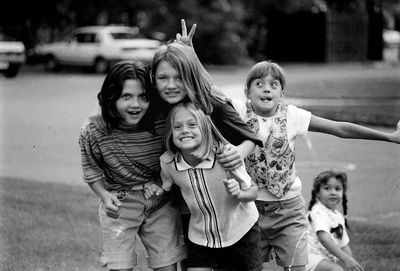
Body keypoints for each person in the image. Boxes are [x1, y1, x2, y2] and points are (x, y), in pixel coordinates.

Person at [231, 60, 400, 271]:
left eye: (274, 85)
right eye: (259, 83)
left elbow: (341, 129)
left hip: (288, 210)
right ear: (247, 91)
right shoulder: (237, 110)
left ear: (281, 94)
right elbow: (206, 93)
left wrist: (389, 137)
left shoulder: (293, 116)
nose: (266, 88)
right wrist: (189, 55)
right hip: (250, 210)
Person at [78, 60, 186, 271]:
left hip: (160, 201)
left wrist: (160, 183)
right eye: (126, 96)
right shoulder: (93, 130)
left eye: (143, 97)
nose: (135, 104)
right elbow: (90, 170)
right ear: (111, 97)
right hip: (120, 204)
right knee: (120, 265)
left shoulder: (162, 121)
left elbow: (175, 155)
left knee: (167, 264)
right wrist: (104, 195)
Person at [159, 102, 262, 271]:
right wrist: (156, 188)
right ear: (170, 133)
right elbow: (166, 184)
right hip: (200, 236)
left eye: (192, 125)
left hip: (240, 233)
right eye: (177, 127)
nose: (184, 130)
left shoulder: (225, 156)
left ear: (205, 129)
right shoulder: (168, 163)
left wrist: (239, 194)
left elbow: (253, 191)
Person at [306, 171, 363, 271]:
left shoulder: (338, 216)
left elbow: (344, 245)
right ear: (317, 193)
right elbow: (324, 239)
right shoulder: (318, 211)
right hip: (307, 257)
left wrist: (352, 263)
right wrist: (345, 259)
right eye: (327, 188)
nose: (333, 192)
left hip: (323, 259)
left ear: (343, 193)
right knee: (336, 270)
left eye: (337, 189)